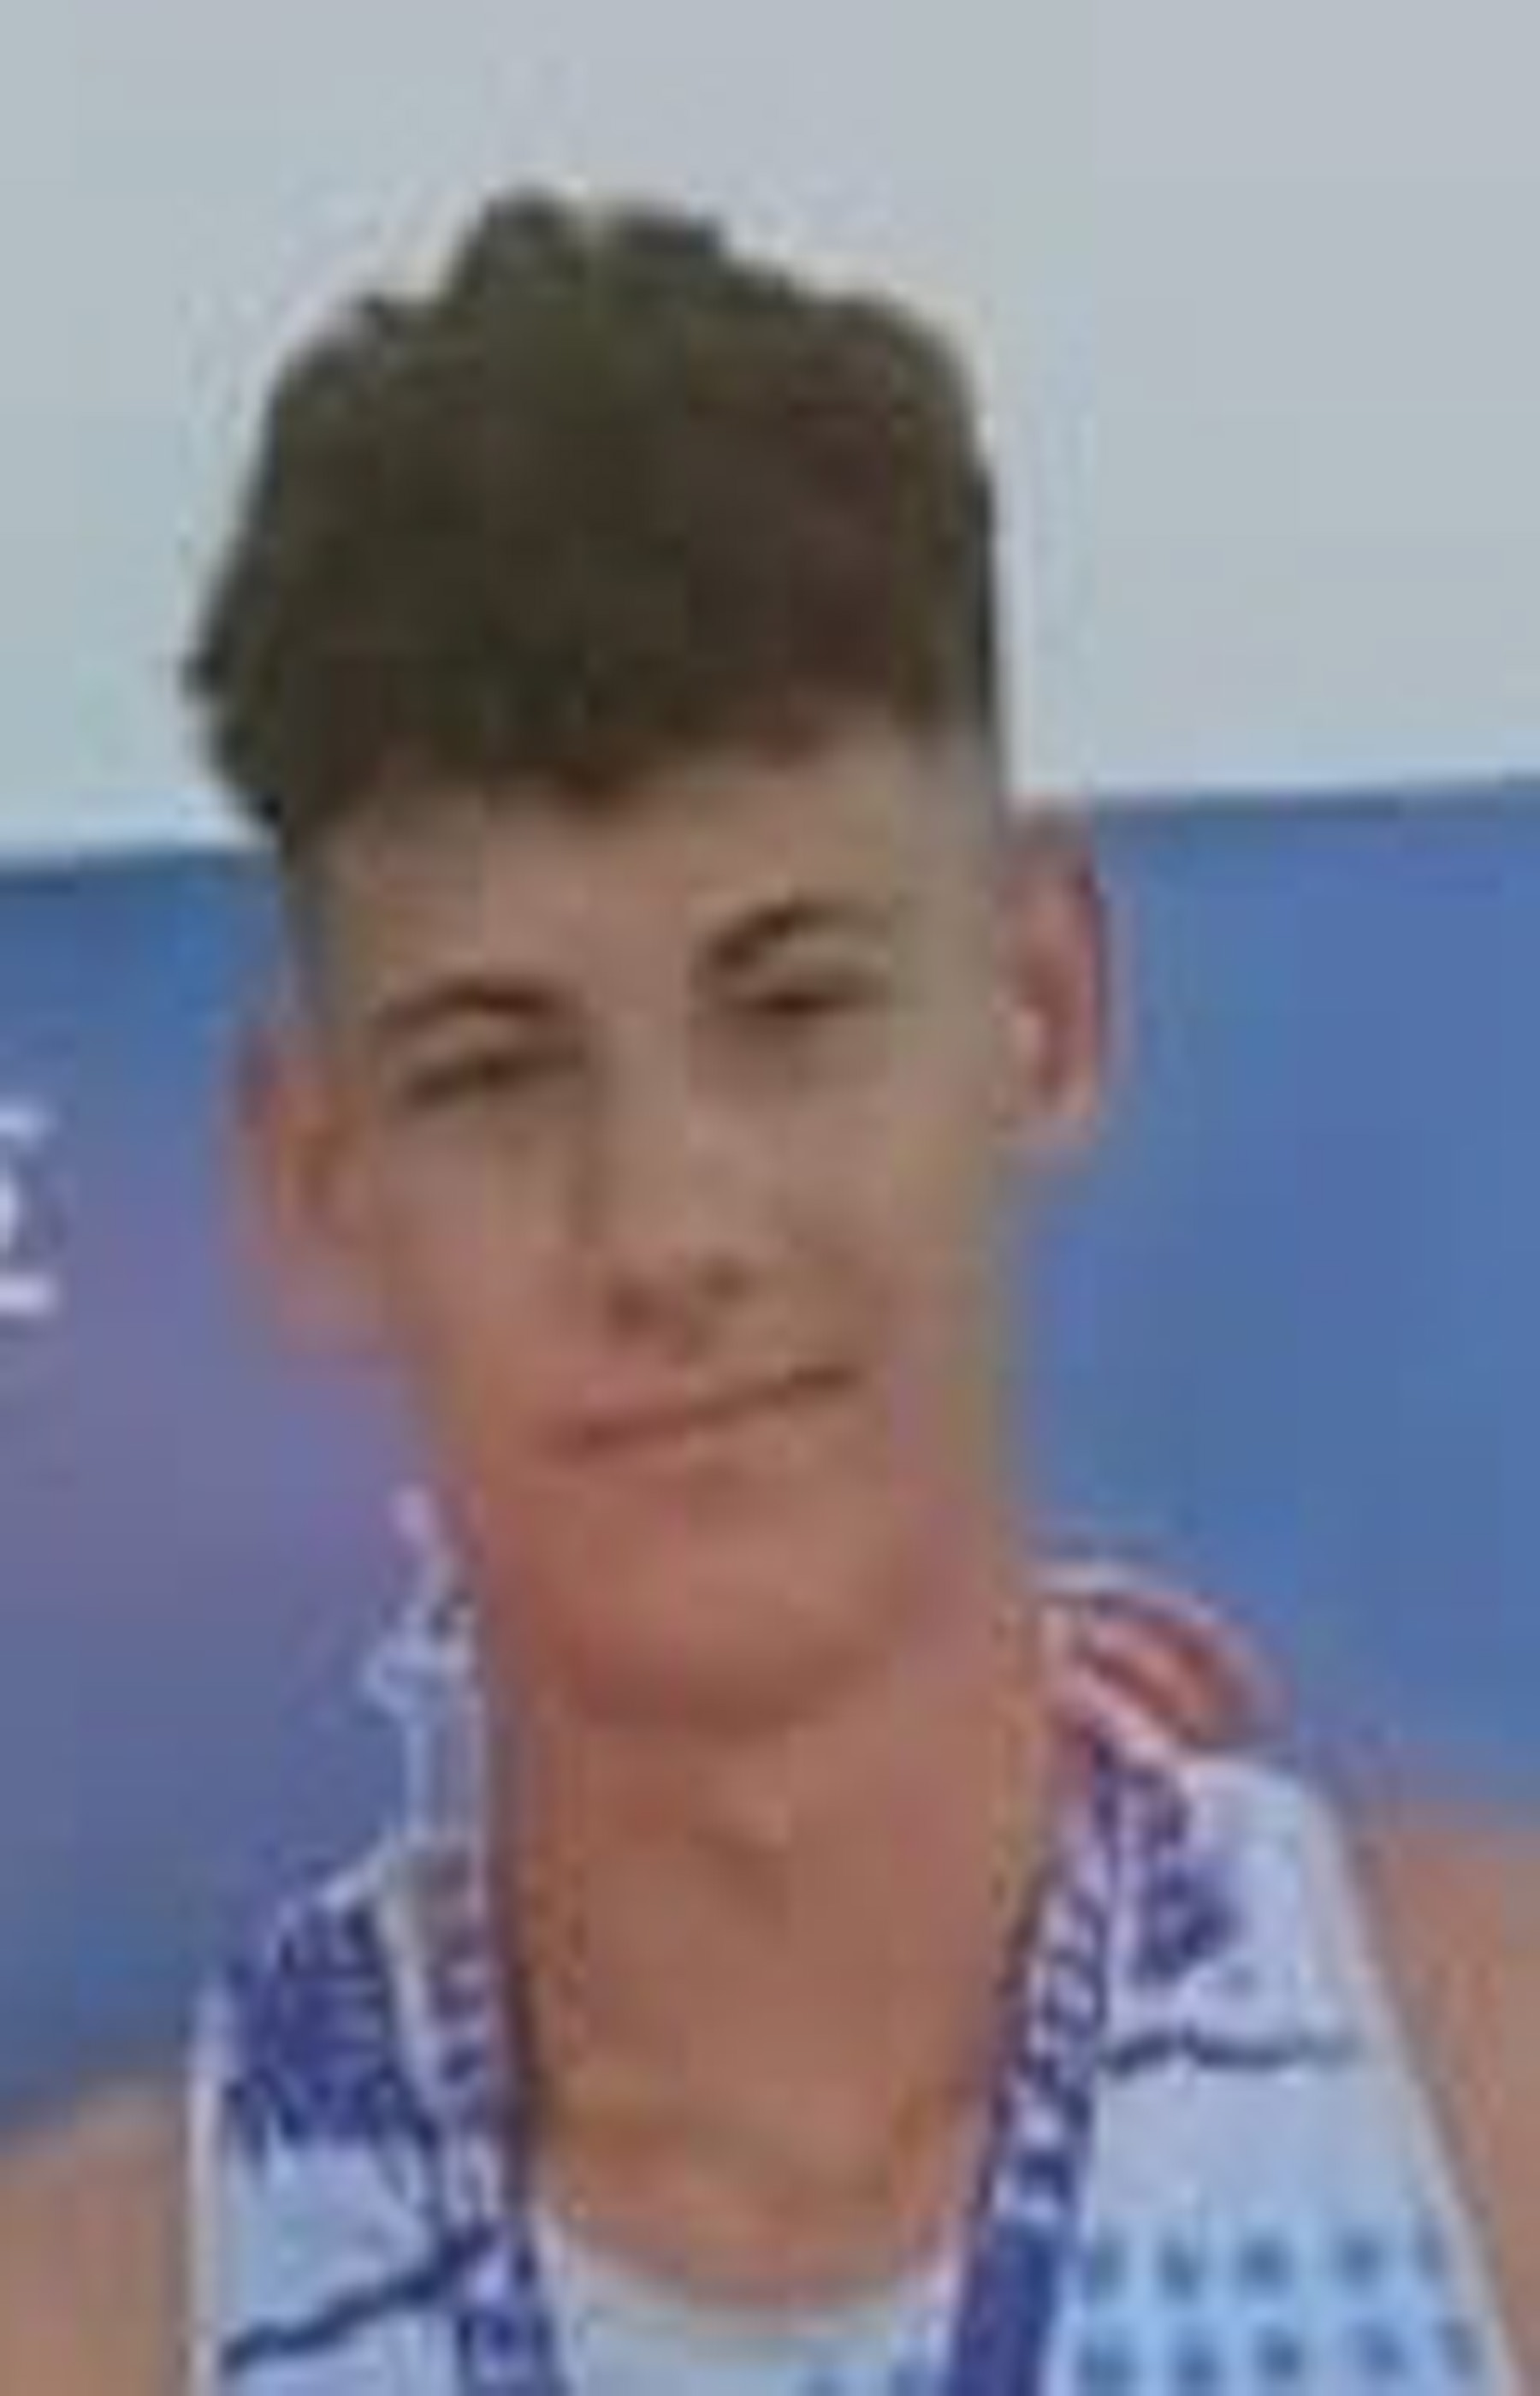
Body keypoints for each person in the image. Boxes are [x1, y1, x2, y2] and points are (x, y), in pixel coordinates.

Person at [1, 188, 1536, 2393]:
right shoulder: (94, 2320)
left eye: (794, 1006)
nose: (667, 1232)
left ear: (1045, 1006)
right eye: (495, 1069)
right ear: (315, 1184)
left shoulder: (1491, 2122)